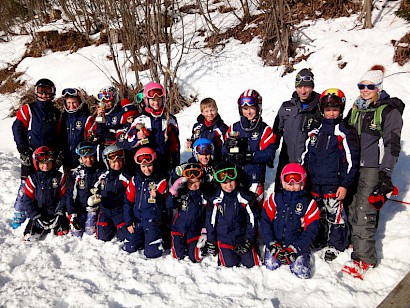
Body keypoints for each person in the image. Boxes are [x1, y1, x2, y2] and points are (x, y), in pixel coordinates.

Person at [342, 65, 404, 280]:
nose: (365, 90)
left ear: (379, 87)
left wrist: (385, 174)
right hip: (354, 165)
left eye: (369, 86)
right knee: (351, 207)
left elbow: (392, 145)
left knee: (364, 211)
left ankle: (364, 259)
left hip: (372, 168)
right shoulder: (357, 108)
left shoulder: (387, 111)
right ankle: (356, 243)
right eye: (361, 86)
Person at [301, 88, 359, 261]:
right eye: (328, 110)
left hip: (334, 184)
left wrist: (344, 184)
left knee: (335, 215)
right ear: (322, 110)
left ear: (341, 110)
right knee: (318, 213)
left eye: (335, 110)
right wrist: (303, 178)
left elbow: (352, 162)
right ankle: (319, 239)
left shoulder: (344, 132)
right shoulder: (314, 131)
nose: (331, 113)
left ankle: (336, 244)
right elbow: (305, 156)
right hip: (314, 183)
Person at [11, 78, 63, 229]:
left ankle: (48, 208)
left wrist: (59, 153)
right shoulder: (29, 109)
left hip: (48, 156)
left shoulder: (56, 113)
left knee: (47, 183)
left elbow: (59, 135)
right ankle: (20, 210)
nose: (44, 94)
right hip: (31, 153)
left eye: (48, 91)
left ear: (53, 93)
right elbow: (18, 127)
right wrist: (22, 148)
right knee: (26, 182)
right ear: (36, 92)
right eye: (41, 91)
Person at [260, 163, 320, 279]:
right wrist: (271, 243)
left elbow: (311, 230)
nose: (291, 184)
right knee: (270, 267)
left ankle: (302, 255)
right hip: (276, 243)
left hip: (296, 245)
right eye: (288, 180)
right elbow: (265, 221)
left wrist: (296, 248)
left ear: (302, 182)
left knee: (301, 273)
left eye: (296, 180)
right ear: (282, 181)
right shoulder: (275, 198)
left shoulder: (309, 204)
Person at [223, 89, 276, 210]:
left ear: (258, 107)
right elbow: (223, 151)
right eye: (245, 109)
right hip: (234, 178)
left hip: (254, 178)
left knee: (254, 210)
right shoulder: (233, 128)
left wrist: (248, 156)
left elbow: (269, 154)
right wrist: (229, 149)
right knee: (235, 212)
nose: (248, 112)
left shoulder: (265, 129)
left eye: (251, 108)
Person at [272, 68, 322, 192]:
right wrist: (271, 153)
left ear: (312, 87)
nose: (303, 91)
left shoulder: (320, 107)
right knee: (282, 192)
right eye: (299, 87)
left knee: (306, 195)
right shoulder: (286, 107)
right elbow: (276, 132)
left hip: (309, 161)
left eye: (306, 87)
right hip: (287, 158)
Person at [205, 161, 260, 268]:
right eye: (225, 183)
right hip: (224, 238)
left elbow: (252, 219)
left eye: (231, 181)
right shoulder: (216, 199)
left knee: (251, 264)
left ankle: (251, 248)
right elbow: (210, 221)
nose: (229, 185)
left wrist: (249, 239)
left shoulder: (244, 197)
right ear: (219, 183)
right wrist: (211, 241)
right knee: (229, 265)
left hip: (242, 238)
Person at [123, 82, 180, 173]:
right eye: (153, 100)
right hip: (146, 166)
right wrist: (137, 136)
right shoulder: (140, 120)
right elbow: (128, 141)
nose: (156, 103)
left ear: (163, 99)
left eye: (159, 99)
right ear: (147, 100)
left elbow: (175, 145)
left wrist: (176, 164)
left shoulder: (170, 120)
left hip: (164, 164)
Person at [123, 147, 169, 258]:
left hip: (153, 221)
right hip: (137, 219)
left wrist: (158, 197)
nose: (146, 169)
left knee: (151, 253)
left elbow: (168, 205)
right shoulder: (135, 180)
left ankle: (157, 237)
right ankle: (143, 237)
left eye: (149, 166)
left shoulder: (161, 181)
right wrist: (129, 221)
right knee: (129, 247)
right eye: (143, 166)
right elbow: (128, 202)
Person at [21, 146, 69, 241]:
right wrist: (35, 215)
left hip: (55, 212)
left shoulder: (59, 177)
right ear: (37, 163)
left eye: (49, 163)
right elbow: (27, 200)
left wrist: (60, 212)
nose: (46, 166)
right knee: (29, 236)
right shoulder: (32, 179)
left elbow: (64, 197)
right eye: (42, 163)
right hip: (39, 213)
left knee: (64, 233)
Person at [87, 144, 130, 242]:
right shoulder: (103, 175)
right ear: (107, 162)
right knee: (102, 237)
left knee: (124, 237)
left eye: (119, 161)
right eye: (113, 162)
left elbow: (132, 194)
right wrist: (95, 197)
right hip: (105, 210)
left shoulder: (125, 176)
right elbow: (95, 188)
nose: (117, 164)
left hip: (119, 211)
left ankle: (117, 227)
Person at [167, 163, 207, 262]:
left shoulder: (203, 196)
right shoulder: (182, 193)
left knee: (195, 257)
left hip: (194, 231)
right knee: (178, 255)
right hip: (179, 229)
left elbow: (207, 215)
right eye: (190, 182)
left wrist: (204, 231)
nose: (193, 185)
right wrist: (173, 190)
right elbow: (170, 205)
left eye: (196, 182)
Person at [62, 141, 102, 237]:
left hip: (94, 209)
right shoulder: (75, 174)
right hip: (79, 209)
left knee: (90, 231)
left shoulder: (100, 172)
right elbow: (69, 196)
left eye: (91, 157)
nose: (89, 160)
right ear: (80, 158)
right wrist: (72, 213)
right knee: (76, 233)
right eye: (85, 157)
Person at [61, 88, 95, 170]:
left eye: (74, 103)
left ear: (79, 102)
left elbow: (91, 139)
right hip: (66, 159)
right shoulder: (62, 118)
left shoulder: (86, 118)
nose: (71, 106)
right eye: (69, 103)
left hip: (82, 158)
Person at [187, 98, 228, 162]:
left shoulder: (221, 127)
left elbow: (226, 145)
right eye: (206, 111)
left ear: (216, 109)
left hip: (216, 160)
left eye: (212, 110)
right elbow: (195, 140)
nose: (210, 114)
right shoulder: (197, 127)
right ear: (202, 112)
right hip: (200, 159)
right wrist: (191, 143)